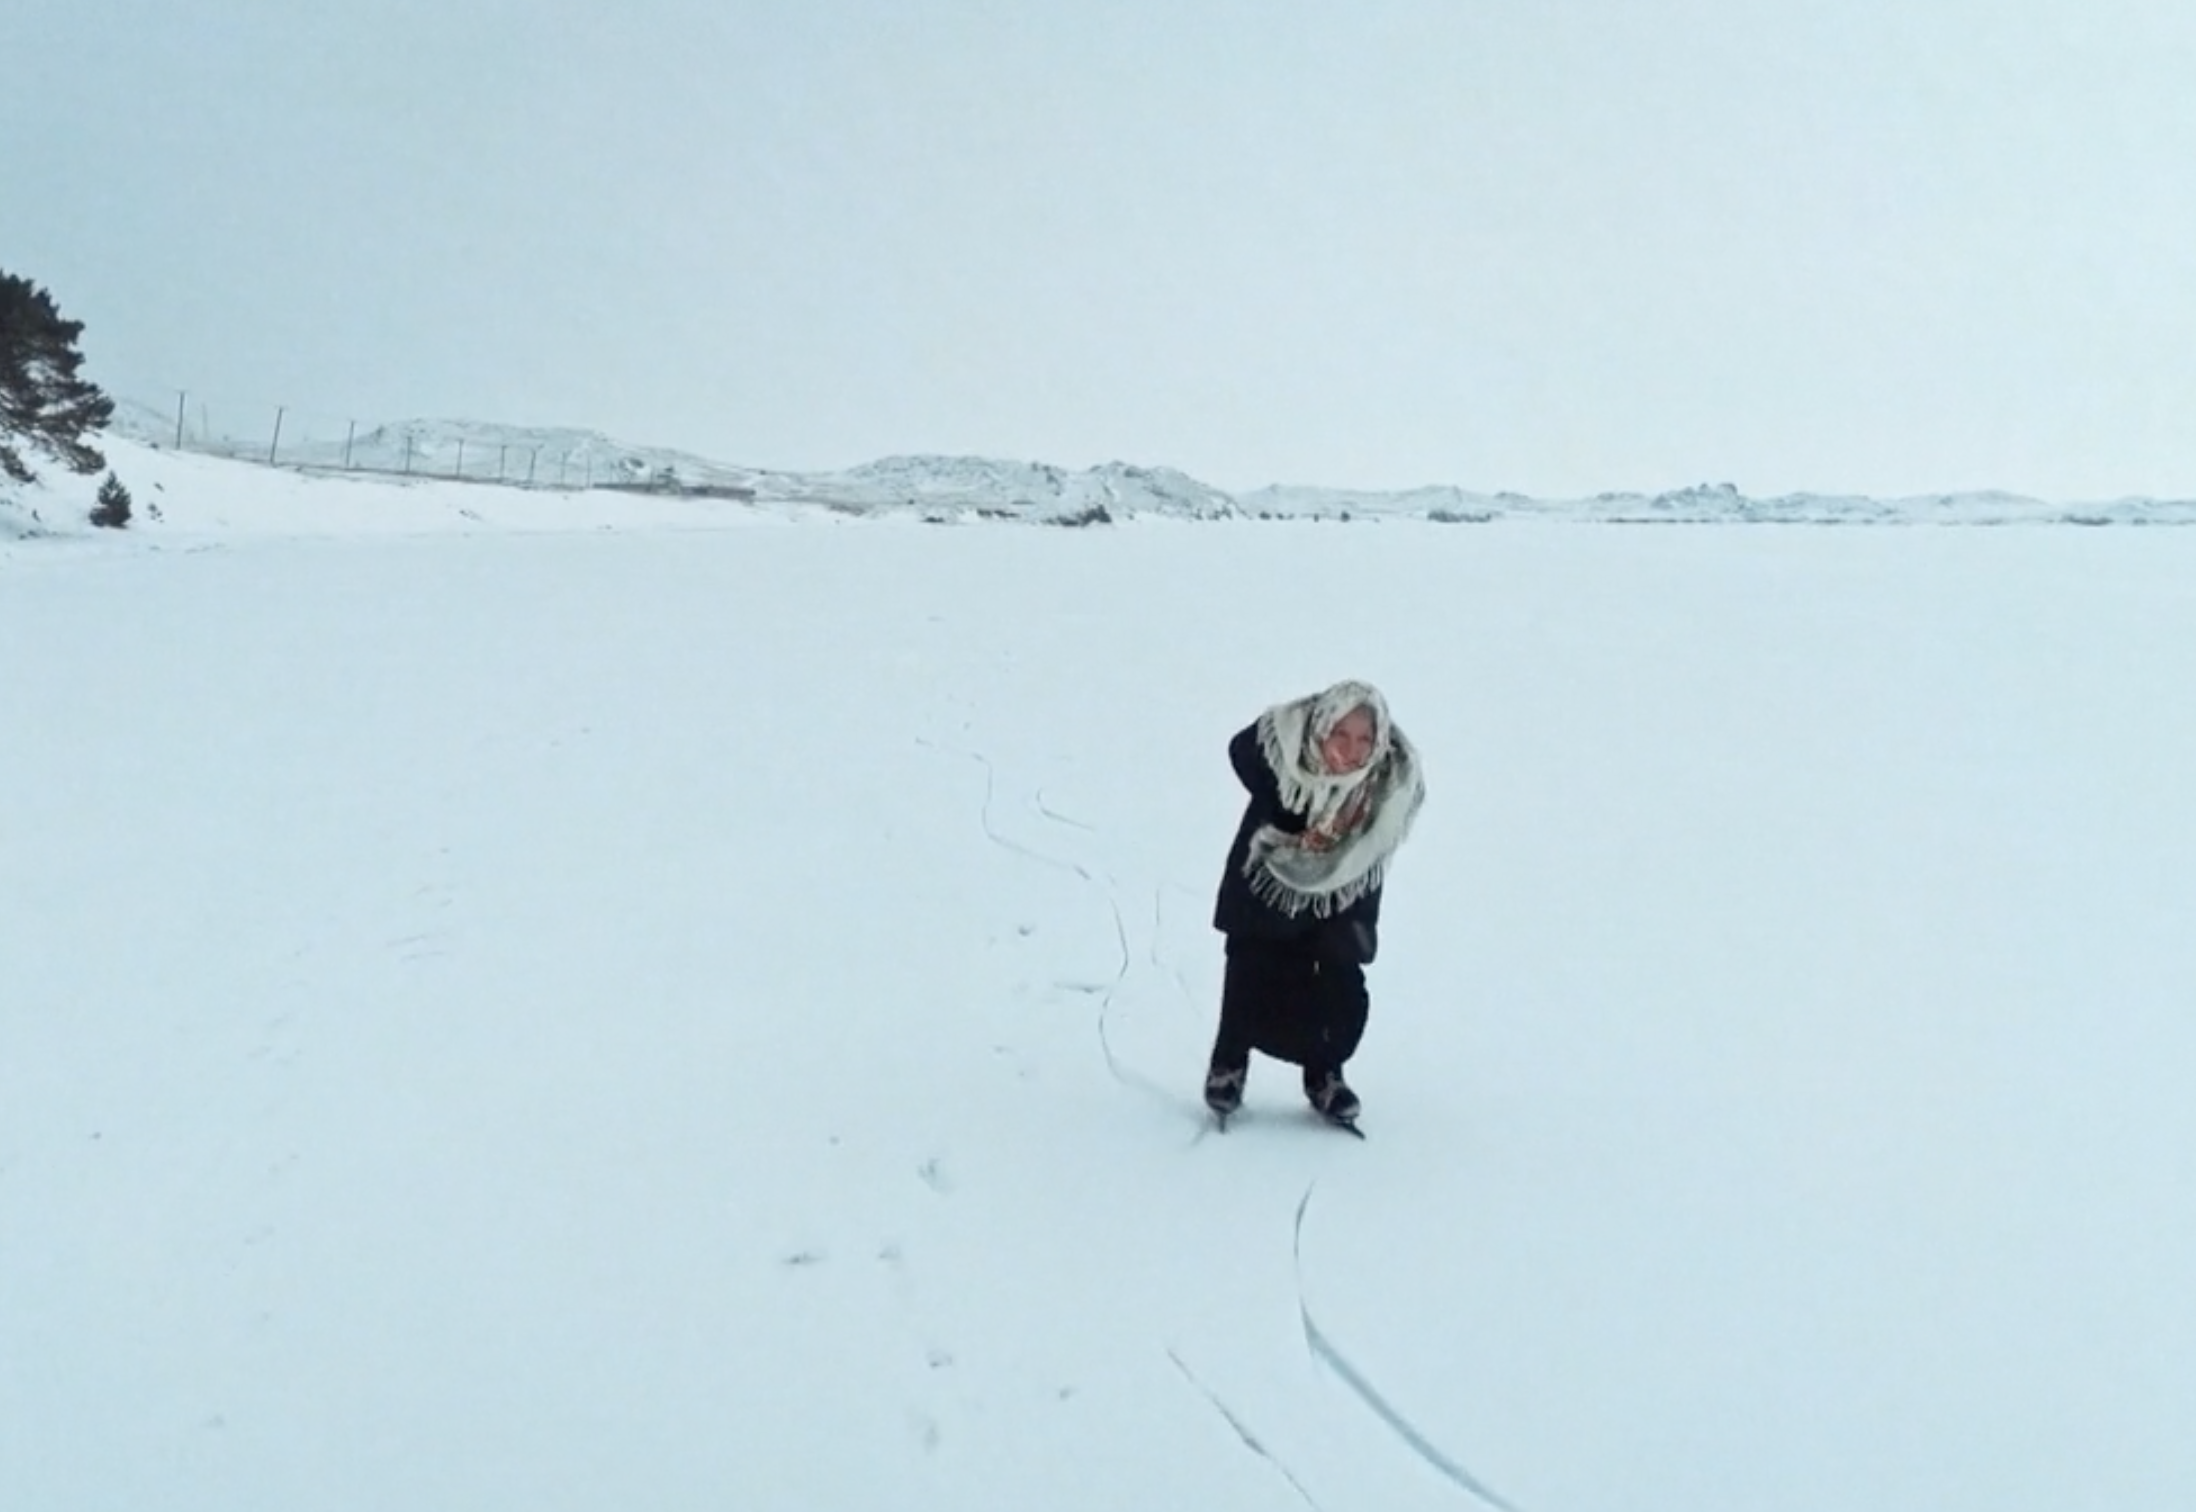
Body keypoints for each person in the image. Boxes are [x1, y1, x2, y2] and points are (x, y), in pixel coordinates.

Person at [1206, 680, 1425, 1124]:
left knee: (1336, 984)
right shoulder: (1284, 765)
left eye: (1365, 739)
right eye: (1340, 735)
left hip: (1340, 901)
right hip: (1264, 889)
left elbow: (1370, 856)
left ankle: (1324, 1075)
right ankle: (1229, 1061)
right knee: (1250, 971)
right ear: (1319, 730)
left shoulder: (1383, 787)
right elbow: (1246, 748)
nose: (1352, 750)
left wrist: (1357, 932)